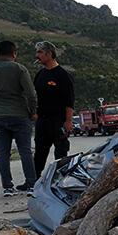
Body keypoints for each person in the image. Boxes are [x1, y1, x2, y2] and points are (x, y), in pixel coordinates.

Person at [0, 40, 38, 197]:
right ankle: (31, 184)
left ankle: (7, 187)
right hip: (20, 115)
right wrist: (33, 112)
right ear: (14, 53)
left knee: (3, 153)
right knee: (25, 152)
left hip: (0, 116)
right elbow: (31, 94)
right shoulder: (19, 69)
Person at [33, 41, 74, 178]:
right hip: (42, 120)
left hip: (58, 120)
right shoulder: (40, 75)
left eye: (39, 52)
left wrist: (68, 121)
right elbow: (34, 96)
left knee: (60, 151)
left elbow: (69, 100)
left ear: (49, 54)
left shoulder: (62, 75)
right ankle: (34, 180)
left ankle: (60, 179)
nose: (36, 55)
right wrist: (34, 114)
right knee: (39, 150)